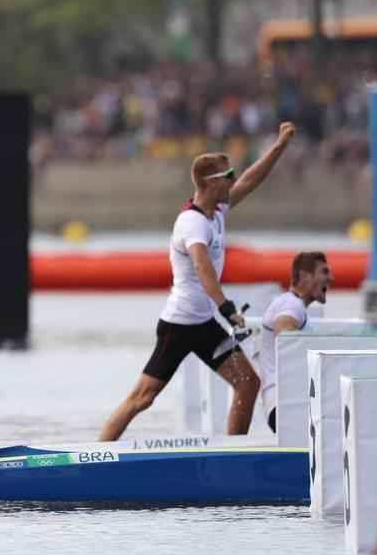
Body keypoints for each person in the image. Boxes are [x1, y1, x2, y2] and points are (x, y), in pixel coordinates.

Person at [99, 122, 297, 441]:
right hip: (179, 325)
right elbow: (203, 268)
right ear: (209, 182)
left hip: (205, 326)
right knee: (143, 398)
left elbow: (250, 179)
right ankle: (98, 453)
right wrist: (228, 309)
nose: (233, 180)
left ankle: (233, 457)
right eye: (227, 176)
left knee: (248, 382)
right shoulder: (191, 223)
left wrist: (279, 146)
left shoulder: (217, 211)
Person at [259, 251, 333, 433]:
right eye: (324, 272)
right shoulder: (291, 305)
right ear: (305, 276)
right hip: (286, 407)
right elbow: (286, 340)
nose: (330, 278)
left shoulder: (292, 304)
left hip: (284, 406)